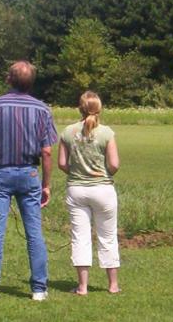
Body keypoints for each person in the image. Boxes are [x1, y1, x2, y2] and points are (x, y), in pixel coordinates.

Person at [0, 60, 57, 301]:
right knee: (34, 233)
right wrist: (46, 185)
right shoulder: (43, 110)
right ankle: (39, 288)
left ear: (8, 80)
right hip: (29, 174)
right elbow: (47, 152)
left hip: (1, 172)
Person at [57, 91, 120, 295]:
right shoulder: (106, 133)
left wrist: (76, 172)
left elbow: (62, 164)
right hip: (103, 188)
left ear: (80, 108)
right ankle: (112, 285)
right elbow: (114, 164)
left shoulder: (68, 132)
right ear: (99, 109)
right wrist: (103, 173)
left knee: (80, 237)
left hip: (77, 189)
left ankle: (82, 286)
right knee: (107, 236)